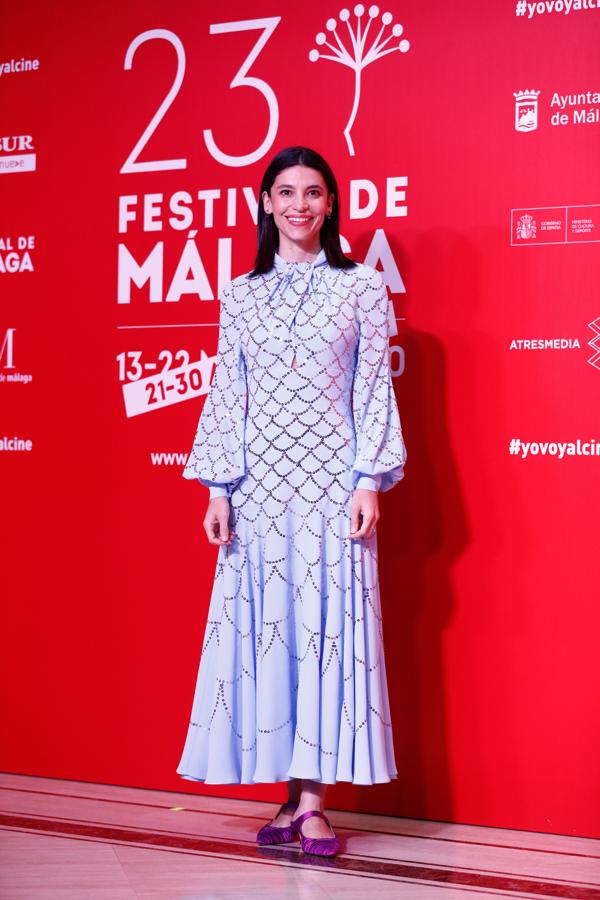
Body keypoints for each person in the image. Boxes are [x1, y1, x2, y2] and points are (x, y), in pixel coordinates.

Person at [177, 146, 407, 857]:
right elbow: (226, 393)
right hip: (259, 489)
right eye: (286, 192)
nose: (300, 204)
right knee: (269, 635)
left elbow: (373, 389)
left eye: (314, 192)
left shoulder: (362, 287)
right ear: (267, 203)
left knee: (324, 634)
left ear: (331, 203)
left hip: (333, 487)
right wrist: (219, 487)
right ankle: (286, 796)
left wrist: (368, 476)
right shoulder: (240, 292)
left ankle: (313, 805)